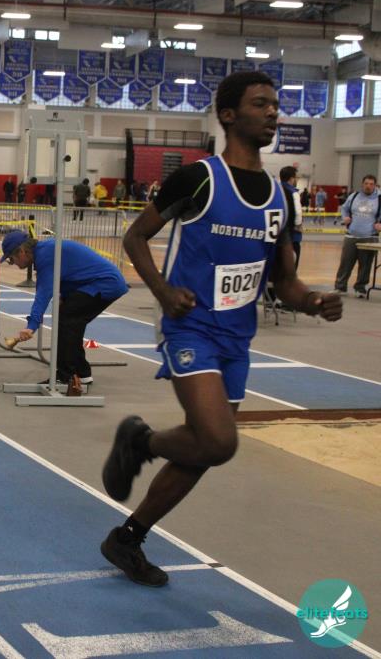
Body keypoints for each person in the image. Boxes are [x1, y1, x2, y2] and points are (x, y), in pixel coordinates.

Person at [101, 71, 343, 588]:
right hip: (190, 327)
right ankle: (142, 440)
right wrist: (164, 292)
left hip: (238, 338)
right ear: (229, 116)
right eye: (261, 104)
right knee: (218, 440)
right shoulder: (199, 179)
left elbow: (285, 281)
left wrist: (314, 301)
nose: (273, 112)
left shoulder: (282, 197)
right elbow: (136, 237)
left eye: (276, 104)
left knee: (205, 448)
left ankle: (128, 536)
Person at [2, 231, 128, 389]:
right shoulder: (45, 251)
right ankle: (81, 373)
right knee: (71, 322)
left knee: (67, 320)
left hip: (105, 283)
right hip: (98, 283)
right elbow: (71, 273)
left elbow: (43, 294)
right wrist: (65, 296)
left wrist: (31, 326)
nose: (12, 263)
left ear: (22, 252)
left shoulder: (46, 256)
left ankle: (65, 376)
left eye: (11, 259)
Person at [334, 175, 381, 298]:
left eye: (371, 184)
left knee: (365, 265)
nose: (368, 186)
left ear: (375, 186)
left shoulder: (379, 198)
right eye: (366, 183)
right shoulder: (354, 196)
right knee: (345, 263)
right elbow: (344, 209)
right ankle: (340, 287)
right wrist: (345, 217)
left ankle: (360, 288)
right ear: (362, 184)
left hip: (369, 237)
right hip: (351, 236)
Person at [280, 166, 303, 270]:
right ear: (291, 178)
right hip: (292, 236)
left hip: (276, 235)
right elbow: (298, 213)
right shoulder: (293, 192)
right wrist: (298, 225)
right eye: (296, 177)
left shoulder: (276, 190)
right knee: (291, 267)